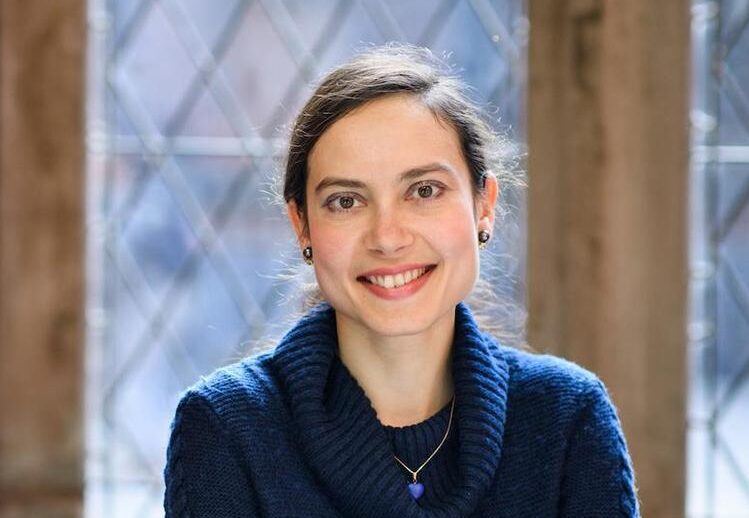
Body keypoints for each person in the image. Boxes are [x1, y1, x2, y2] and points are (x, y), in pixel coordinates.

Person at [163, 45, 640, 517]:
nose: (387, 238)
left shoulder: (568, 418)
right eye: (346, 201)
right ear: (302, 225)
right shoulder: (225, 428)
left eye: (424, 191)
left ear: (484, 206)